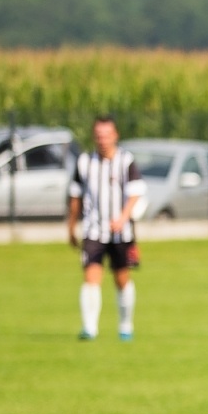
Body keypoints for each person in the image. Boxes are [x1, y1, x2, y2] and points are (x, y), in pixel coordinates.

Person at [67, 115, 144, 341]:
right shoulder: (84, 163)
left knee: (121, 279)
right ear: (94, 137)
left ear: (115, 136)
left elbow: (136, 192)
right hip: (93, 230)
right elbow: (75, 196)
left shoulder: (125, 161)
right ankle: (90, 328)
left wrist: (123, 217)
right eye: (99, 136)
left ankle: (125, 325)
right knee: (91, 276)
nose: (103, 140)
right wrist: (71, 226)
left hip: (121, 232)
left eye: (107, 135)